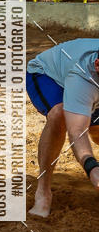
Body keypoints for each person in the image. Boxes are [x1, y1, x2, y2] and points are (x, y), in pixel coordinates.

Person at [26, 38, 99, 217]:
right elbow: (77, 131)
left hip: (87, 86)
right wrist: (91, 166)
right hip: (47, 75)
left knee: (97, 131)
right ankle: (43, 192)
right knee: (59, 115)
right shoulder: (83, 75)